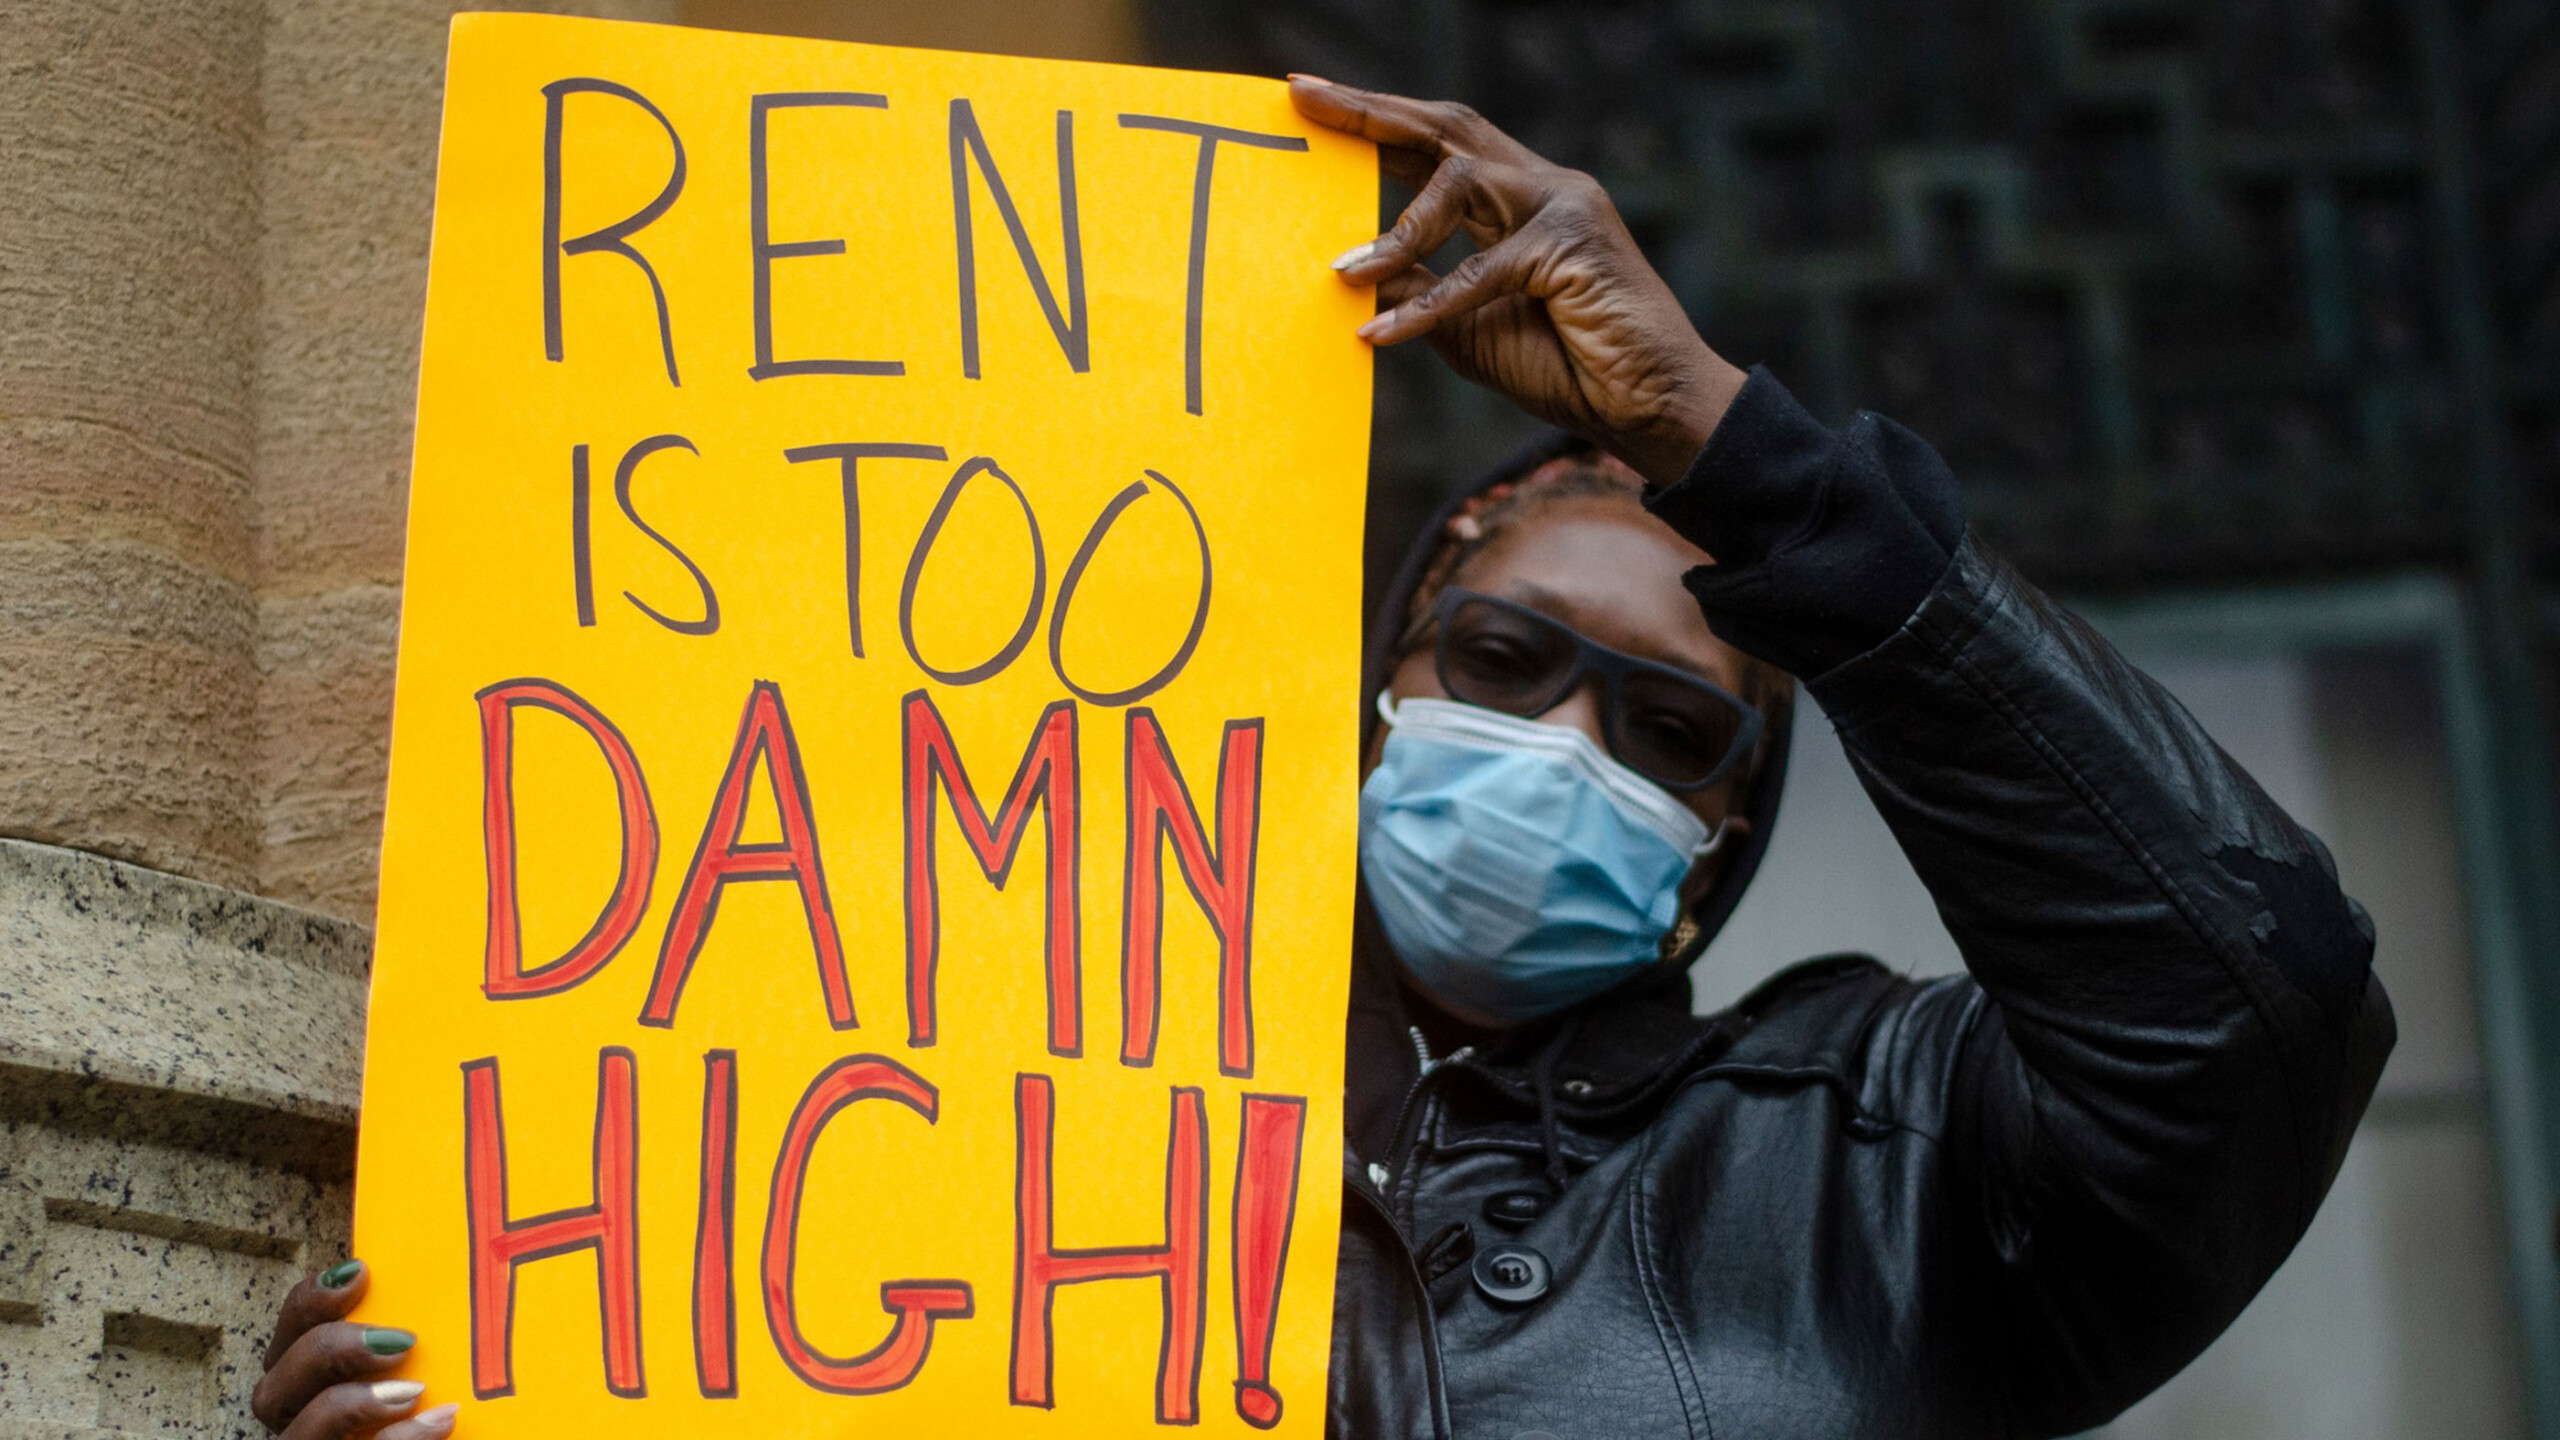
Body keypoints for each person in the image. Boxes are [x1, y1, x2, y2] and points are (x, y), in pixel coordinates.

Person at [252, 78, 2394, 1440]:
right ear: (1387, 670)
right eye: (1504, 657)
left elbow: (2252, 1004)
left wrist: (1737, 453)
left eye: (1663, 730)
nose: (1563, 740)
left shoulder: (1894, 1169)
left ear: (1721, 842)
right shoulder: (945, 1114)